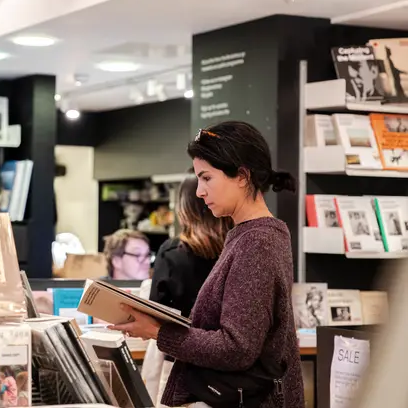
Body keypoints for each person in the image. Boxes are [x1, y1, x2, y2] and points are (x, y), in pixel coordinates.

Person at [109, 121, 305, 408]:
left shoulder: (257, 242)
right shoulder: (248, 235)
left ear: (241, 175)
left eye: (207, 178)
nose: (200, 191)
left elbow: (236, 349)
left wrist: (157, 332)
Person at [143, 175, 232, 406]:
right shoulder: (238, 248)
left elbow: (156, 311)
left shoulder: (173, 251)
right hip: (231, 371)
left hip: (182, 363)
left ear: (184, 208)